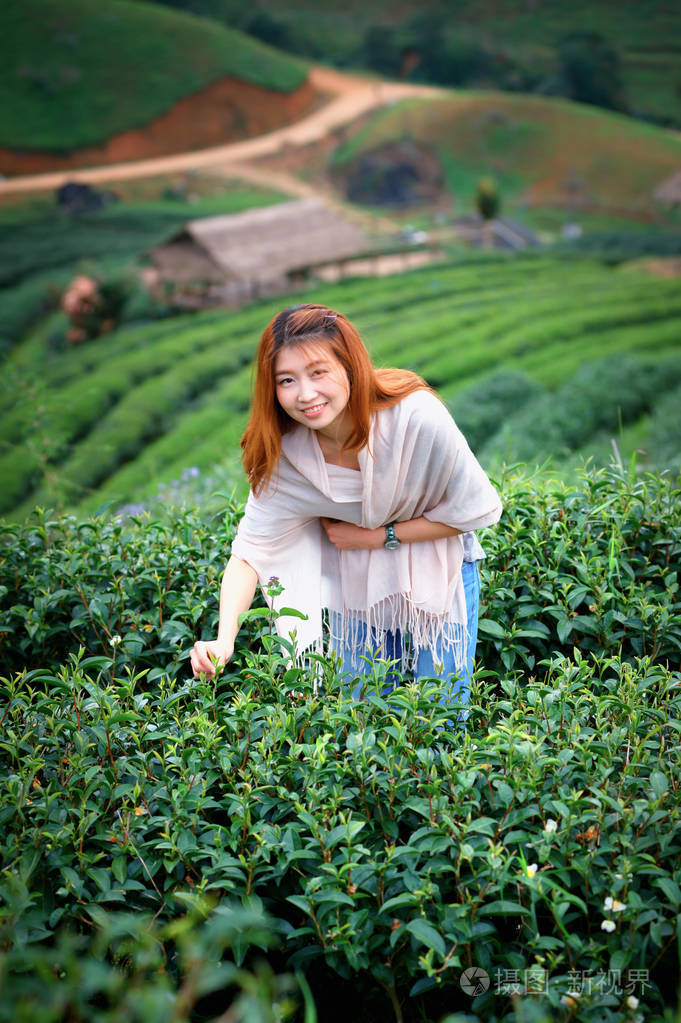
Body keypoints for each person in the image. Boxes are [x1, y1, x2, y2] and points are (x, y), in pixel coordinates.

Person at [190, 303, 502, 707]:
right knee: (363, 714)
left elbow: (477, 510)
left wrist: (379, 536)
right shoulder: (287, 456)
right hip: (357, 583)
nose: (305, 394)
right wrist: (224, 637)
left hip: (440, 570)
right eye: (287, 380)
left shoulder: (415, 417)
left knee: (441, 714)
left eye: (318, 372)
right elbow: (251, 552)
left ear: (349, 366)